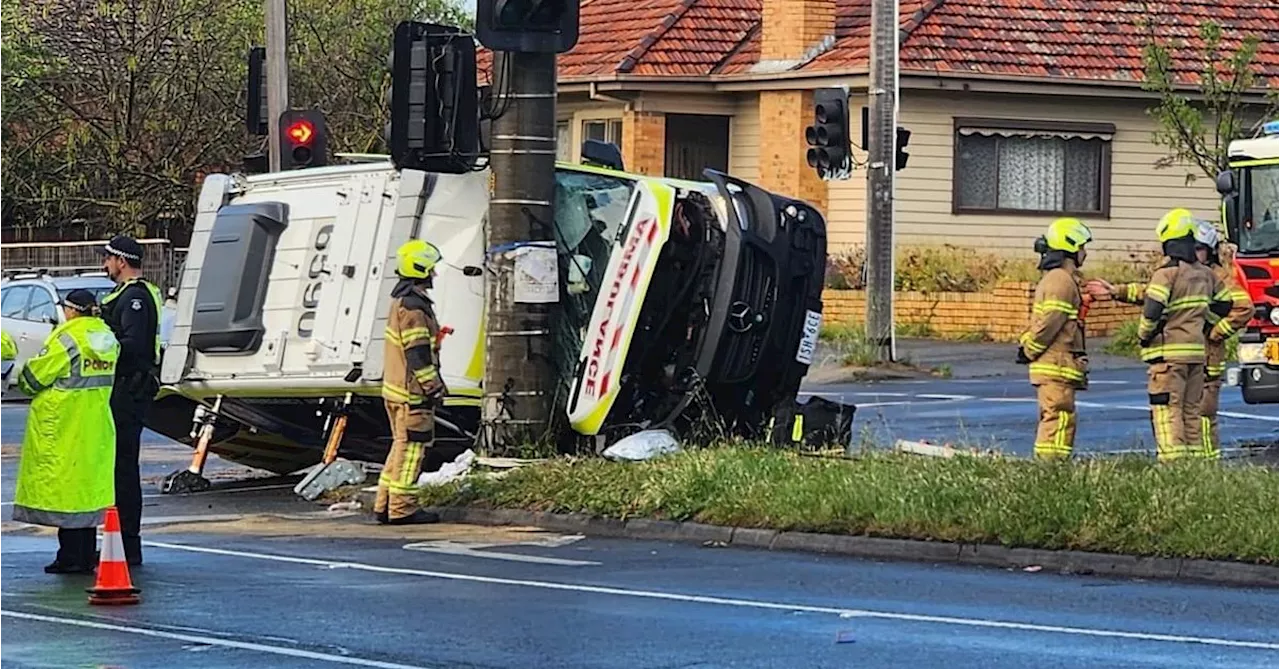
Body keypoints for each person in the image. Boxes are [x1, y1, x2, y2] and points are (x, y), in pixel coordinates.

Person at [1089, 208, 1231, 462]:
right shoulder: (1205, 274)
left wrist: (1144, 335)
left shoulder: (1166, 273)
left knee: (1168, 411)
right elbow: (1224, 304)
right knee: (1190, 411)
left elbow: (1153, 308)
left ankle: (1173, 464)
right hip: (1196, 356)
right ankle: (1194, 464)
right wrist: (1203, 323)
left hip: (1168, 358)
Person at [10, 290, 120, 574]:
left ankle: (70, 556)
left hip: (62, 424)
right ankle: (84, 554)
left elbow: (33, 379)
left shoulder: (66, 339)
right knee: (87, 493)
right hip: (96, 424)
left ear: (72, 310)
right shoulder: (107, 339)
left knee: (65, 492)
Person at [97, 235, 163, 565]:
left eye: (108, 258)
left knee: (123, 468)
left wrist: (100, 347)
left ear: (121, 261)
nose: (105, 264)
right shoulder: (126, 295)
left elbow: (133, 346)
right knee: (117, 467)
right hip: (123, 389)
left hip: (129, 390)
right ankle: (118, 541)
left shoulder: (135, 298)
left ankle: (126, 544)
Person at [374, 239, 446, 525]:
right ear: (421, 269)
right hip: (412, 396)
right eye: (432, 269)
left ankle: (384, 505)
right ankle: (403, 509)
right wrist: (433, 387)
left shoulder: (401, 302)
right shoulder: (415, 308)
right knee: (412, 452)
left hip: (396, 391)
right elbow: (417, 355)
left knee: (399, 447)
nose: (435, 275)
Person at [1017, 217, 1093, 460]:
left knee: (1058, 417)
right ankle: (1051, 469)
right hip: (1055, 362)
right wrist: (1029, 349)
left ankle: (1051, 466)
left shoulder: (1063, 279)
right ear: (1070, 247)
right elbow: (1049, 323)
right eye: (1081, 247)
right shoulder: (1060, 280)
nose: (1084, 252)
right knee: (1057, 417)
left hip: (1057, 363)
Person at [1192, 219, 1252, 459]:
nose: (1195, 254)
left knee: (1205, 414)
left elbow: (1244, 308)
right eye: (1192, 248)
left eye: (1199, 248)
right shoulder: (1179, 273)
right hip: (1182, 356)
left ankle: (1208, 462)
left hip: (1208, 359)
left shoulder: (1219, 278)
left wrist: (1216, 333)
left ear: (1210, 250)